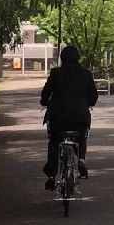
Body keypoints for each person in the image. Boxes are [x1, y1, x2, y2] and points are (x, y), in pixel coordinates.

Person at [41, 43, 99, 189]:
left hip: (58, 118)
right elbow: (94, 96)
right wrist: (88, 103)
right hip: (80, 117)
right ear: (78, 58)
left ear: (62, 58)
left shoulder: (55, 73)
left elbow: (45, 93)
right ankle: (80, 160)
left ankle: (51, 175)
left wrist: (44, 102)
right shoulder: (86, 74)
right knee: (81, 138)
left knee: (54, 143)